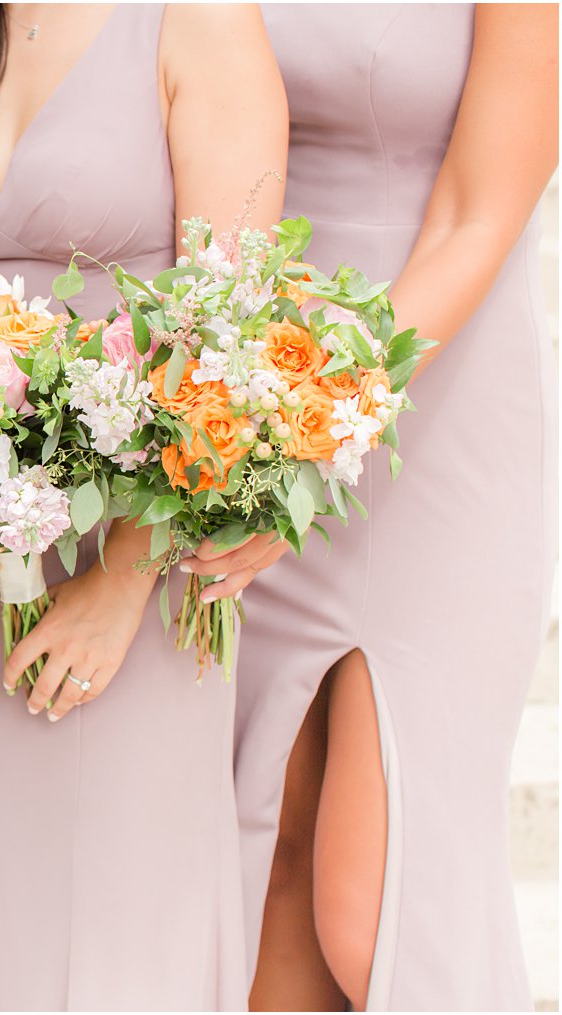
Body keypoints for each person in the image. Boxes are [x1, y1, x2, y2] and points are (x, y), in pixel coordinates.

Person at [0, 3, 287, 1007]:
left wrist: (122, 576)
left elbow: (227, 329)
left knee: (121, 924)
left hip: (138, 554)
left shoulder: (195, 23)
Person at [226, 5, 558, 1009]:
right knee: (262, 866)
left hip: (432, 407)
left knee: (375, 907)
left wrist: (311, 436)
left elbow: (477, 213)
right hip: (245, 402)